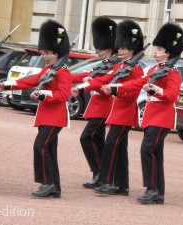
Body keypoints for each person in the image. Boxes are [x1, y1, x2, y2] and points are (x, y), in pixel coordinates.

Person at [0, 19, 72, 198]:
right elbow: (30, 81)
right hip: (46, 116)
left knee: (40, 147)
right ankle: (54, 187)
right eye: (44, 53)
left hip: (55, 117)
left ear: (56, 53)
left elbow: (63, 95)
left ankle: (47, 183)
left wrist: (43, 95)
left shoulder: (63, 71)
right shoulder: (48, 69)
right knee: (49, 151)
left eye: (47, 53)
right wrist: (7, 85)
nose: (44, 56)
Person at [94, 20, 147, 196]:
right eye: (120, 48)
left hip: (124, 114)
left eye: (124, 48)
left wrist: (116, 91)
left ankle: (106, 181)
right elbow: (106, 79)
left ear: (131, 50)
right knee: (121, 148)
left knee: (111, 146)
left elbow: (132, 94)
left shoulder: (137, 69)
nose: (120, 51)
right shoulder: (121, 66)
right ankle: (122, 185)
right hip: (116, 113)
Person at [137, 23, 183, 204]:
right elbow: (138, 82)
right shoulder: (153, 70)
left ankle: (151, 189)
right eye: (157, 48)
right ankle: (158, 192)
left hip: (163, 117)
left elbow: (171, 96)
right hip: (151, 115)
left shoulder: (173, 73)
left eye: (159, 49)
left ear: (168, 53)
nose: (156, 51)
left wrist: (154, 89)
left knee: (147, 149)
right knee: (155, 153)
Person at [70, 16, 118, 189]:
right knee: (97, 141)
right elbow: (82, 75)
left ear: (109, 48)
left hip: (105, 108)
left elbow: (102, 82)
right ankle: (100, 174)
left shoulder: (114, 66)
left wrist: (85, 87)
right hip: (97, 107)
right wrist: (62, 74)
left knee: (86, 138)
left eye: (101, 48)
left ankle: (100, 172)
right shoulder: (102, 64)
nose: (98, 50)